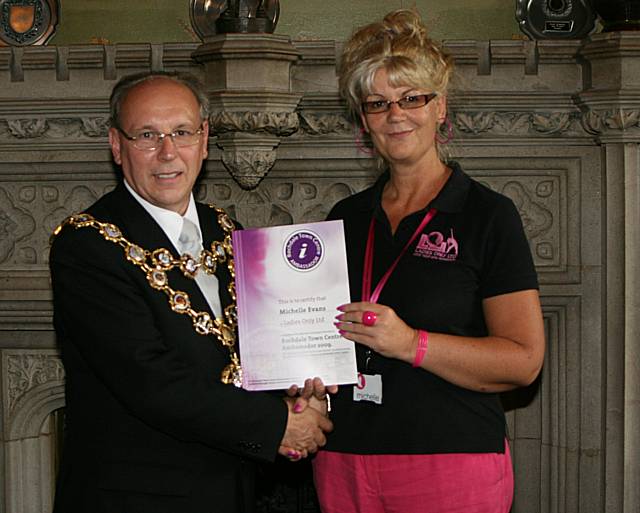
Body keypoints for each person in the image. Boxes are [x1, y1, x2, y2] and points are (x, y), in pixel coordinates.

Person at [49, 71, 332, 513]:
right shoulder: (86, 244)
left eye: (181, 132)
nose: (167, 152)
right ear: (116, 145)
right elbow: (152, 381)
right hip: (135, 499)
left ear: (203, 140)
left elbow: (253, 358)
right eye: (147, 135)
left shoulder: (229, 232)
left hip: (232, 490)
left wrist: (299, 387)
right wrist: (278, 425)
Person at [309, 9, 546, 513]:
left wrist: (410, 343)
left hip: (450, 460)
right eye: (378, 103)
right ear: (363, 118)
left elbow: (524, 361)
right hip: (344, 457)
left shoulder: (488, 215)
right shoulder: (344, 218)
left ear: (441, 107)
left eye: (413, 97)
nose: (397, 114)